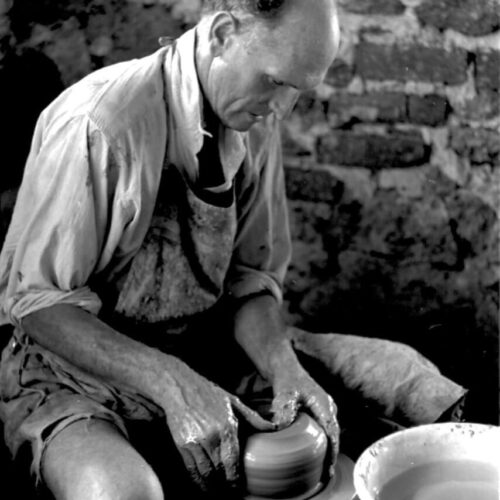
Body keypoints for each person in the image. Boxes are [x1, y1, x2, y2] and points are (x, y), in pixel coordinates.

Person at [0, 0, 466, 499]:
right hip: (73, 373)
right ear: (223, 33)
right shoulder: (102, 123)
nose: (282, 109)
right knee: (120, 492)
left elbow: (250, 281)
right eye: (276, 81)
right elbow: (39, 305)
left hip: (205, 343)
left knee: (408, 379)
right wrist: (174, 385)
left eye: (297, 91)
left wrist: (285, 370)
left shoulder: (252, 115)